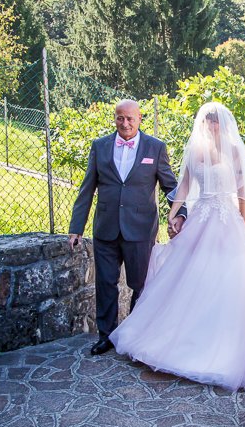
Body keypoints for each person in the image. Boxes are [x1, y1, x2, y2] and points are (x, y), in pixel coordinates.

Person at [109, 102, 245, 391]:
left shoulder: (234, 151)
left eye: (214, 123)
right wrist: (173, 214)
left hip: (227, 222)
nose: (210, 127)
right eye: (206, 123)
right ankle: (181, 341)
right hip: (200, 219)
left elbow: (243, 193)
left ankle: (223, 346)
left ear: (221, 125)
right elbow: (184, 186)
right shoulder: (195, 151)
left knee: (226, 281)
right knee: (189, 279)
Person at [68, 99, 185, 356]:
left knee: (140, 284)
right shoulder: (100, 147)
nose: (125, 123)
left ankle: (134, 336)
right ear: (115, 118)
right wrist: (77, 227)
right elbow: (87, 189)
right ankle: (106, 336)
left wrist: (181, 213)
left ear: (140, 119)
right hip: (106, 228)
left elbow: (170, 185)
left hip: (141, 230)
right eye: (120, 118)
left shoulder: (155, 147)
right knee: (106, 284)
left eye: (130, 118)